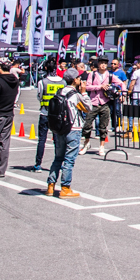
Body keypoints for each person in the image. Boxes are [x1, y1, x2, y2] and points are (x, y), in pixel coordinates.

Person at [46, 69, 88, 198]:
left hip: (59, 128)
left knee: (58, 158)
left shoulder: (59, 92)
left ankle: (51, 185)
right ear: (75, 80)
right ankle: (65, 187)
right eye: (79, 78)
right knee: (69, 160)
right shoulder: (75, 95)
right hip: (73, 129)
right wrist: (84, 92)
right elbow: (88, 107)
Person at [32, 67, 67, 169]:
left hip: (45, 112)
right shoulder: (63, 82)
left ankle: (38, 164)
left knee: (42, 140)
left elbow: (39, 96)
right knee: (58, 140)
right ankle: (59, 163)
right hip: (58, 115)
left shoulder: (42, 82)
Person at [80, 59, 114, 156]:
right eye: (101, 63)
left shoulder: (109, 75)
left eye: (105, 63)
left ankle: (101, 146)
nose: (103, 65)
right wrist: (100, 86)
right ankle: (86, 143)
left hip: (105, 102)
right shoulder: (92, 74)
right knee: (87, 125)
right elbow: (87, 87)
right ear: (98, 64)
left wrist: (122, 93)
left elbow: (120, 83)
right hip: (93, 102)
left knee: (103, 126)